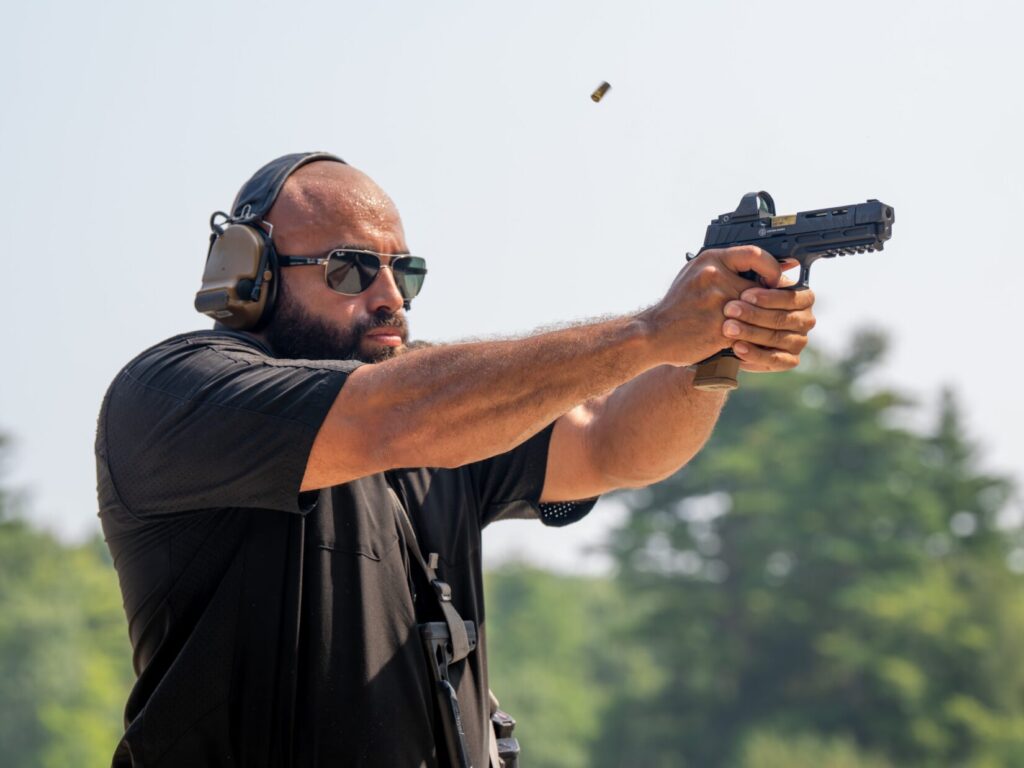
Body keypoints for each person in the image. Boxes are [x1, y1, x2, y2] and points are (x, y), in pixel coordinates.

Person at [96, 152, 816, 767]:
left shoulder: (440, 414)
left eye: (402, 272)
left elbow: (612, 444)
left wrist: (712, 347)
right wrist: (653, 330)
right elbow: (389, 415)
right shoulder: (178, 393)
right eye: (350, 271)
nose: (389, 298)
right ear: (250, 275)